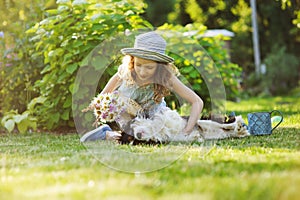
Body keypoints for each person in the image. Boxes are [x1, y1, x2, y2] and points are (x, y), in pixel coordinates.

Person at [80, 31, 203, 142]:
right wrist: (101, 110)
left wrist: (187, 131)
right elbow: (103, 96)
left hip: (155, 118)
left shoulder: (166, 77)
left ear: (160, 66)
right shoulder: (125, 73)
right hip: (129, 120)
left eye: (149, 67)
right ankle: (106, 133)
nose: (142, 72)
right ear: (132, 61)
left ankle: (113, 135)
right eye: (138, 65)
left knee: (161, 134)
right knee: (137, 134)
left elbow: (197, 101)